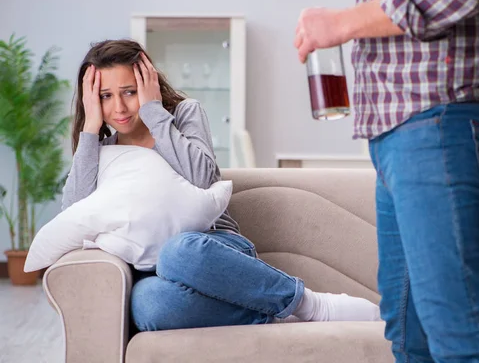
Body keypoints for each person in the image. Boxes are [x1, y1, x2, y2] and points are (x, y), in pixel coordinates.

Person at [62, 39, 381, 331]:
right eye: (105, 96)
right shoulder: (100, 152)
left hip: (211, 249)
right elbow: (73, 216)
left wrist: (153, 112)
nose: (118, 107)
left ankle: (312, 305)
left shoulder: (184, 114)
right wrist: (90, 129)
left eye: (129, 91)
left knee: (176, 251)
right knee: (147, 306)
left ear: (148, 84)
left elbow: (202, 180)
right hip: (153, 272)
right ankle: (272, 310)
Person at [295, 0, 479, 362]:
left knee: (465, 338)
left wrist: (341, 23)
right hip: (400, 129)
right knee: (408, 332)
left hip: (441, 117)